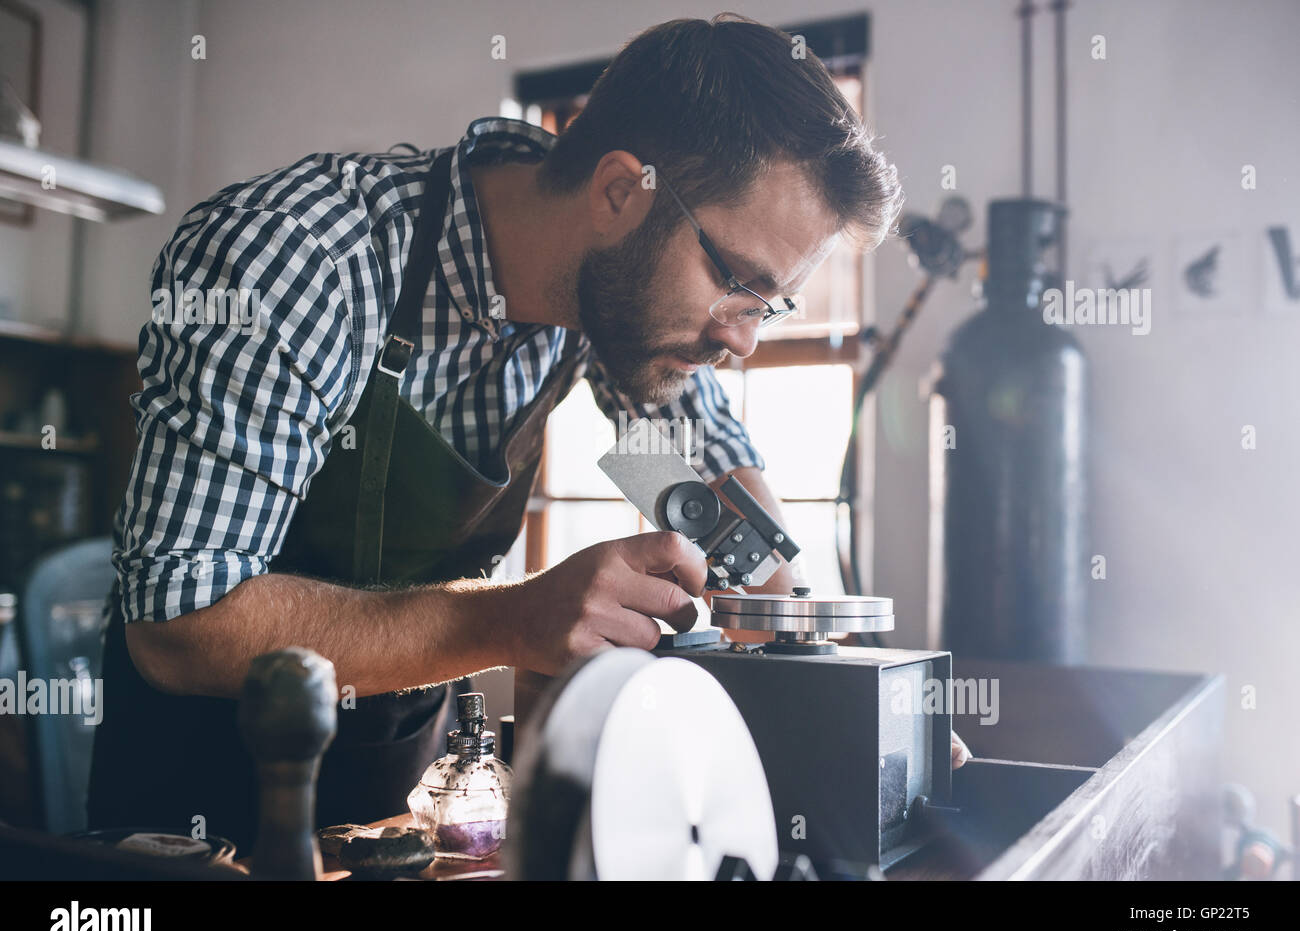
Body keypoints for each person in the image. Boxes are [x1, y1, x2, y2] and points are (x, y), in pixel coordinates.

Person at [88, 14, 929, 848]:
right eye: (738, 283)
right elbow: (180, 624)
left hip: (397, 816)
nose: (743, 338)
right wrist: (512, 618)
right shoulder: (302, 260)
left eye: (768, 304)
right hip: (198, 821)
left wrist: (859, 708)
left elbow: (703, 489)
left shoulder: (604, 304)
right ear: (617, 192)